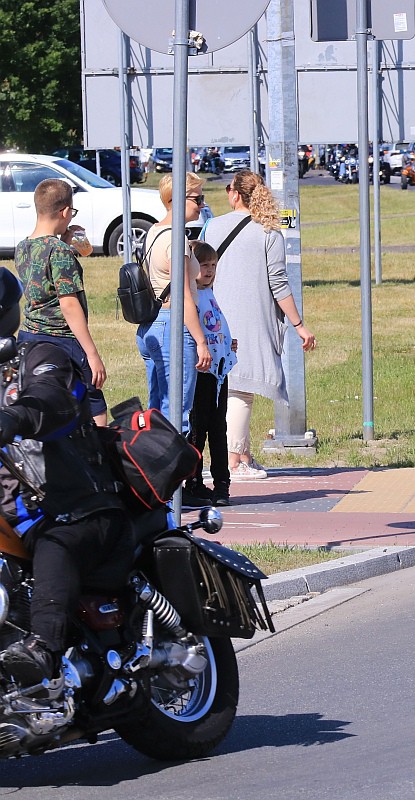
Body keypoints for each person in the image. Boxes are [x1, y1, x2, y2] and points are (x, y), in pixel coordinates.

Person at [0, 269, 133, 688]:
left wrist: (14, 416)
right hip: (17, 518)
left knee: (54, 543)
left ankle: (43, 649)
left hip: (72, 505)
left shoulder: (39, 356)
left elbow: (54, 399)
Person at [204, 170, 316, 481]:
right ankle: (233, 462)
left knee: (228, 388)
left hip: (214, 317)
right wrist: (299, 325)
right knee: (243, 388)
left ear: (235, 194)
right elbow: (279, 283)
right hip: (251, 318)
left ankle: (241, 455)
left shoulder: (212, 227)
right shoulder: (269, 232)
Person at [13, 179, 109, 428]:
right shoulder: (60, 252)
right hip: (62, 339)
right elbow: (68, 304)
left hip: (30, 337)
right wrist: (92, 354)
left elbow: (42, 281)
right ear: (65, 211)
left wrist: (64, 240)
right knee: (94, 399)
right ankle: (101, 457)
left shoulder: (23, 247)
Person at [137, 173, 213, 435]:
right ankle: (171, 474)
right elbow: (182, 297)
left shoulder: (155, 231)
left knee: (156, 410)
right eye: (197, 198)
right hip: (173, 325)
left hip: (153, 325)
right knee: (176, 414)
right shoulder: (175, 239)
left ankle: (152, 471)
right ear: (177, 199)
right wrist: (201, 341)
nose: (202, 204)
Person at [184, 240, 237, 507]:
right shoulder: (191, 296)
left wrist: (228, 343)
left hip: (218, 371)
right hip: (201, 372)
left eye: (213, 265)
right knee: (197, 430)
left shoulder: (210, 293)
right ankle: (193, 482)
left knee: (219, 429)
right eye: (204, 265)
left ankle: (222, 484)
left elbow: (217, 326)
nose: (209, 270)